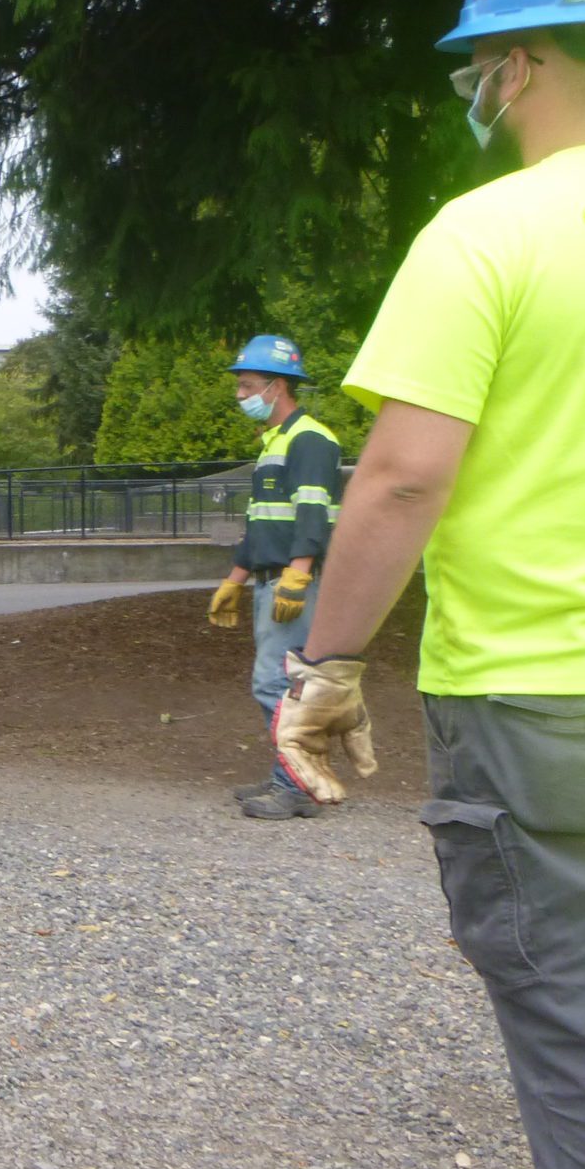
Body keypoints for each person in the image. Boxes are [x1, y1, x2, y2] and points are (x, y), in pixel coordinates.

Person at [276, 0, 585, 1169]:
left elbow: (403, 478)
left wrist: (331, 659)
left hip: (549, 702)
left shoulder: (487, 238)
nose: (480, 85)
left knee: (579, 1016)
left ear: (534, 59)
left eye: (487, 61)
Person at [205, 335, 343, 818]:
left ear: (277, 385)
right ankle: (293, 777)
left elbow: (313, 514)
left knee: (279, 684)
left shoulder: (309, 440)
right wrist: (235, 579)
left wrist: (298, 574)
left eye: (247, 386)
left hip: (291, 583)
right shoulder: (276, 443)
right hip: (272, 579)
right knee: (283, 684)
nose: (239, 396)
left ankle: (298, 785)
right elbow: (263, 522)